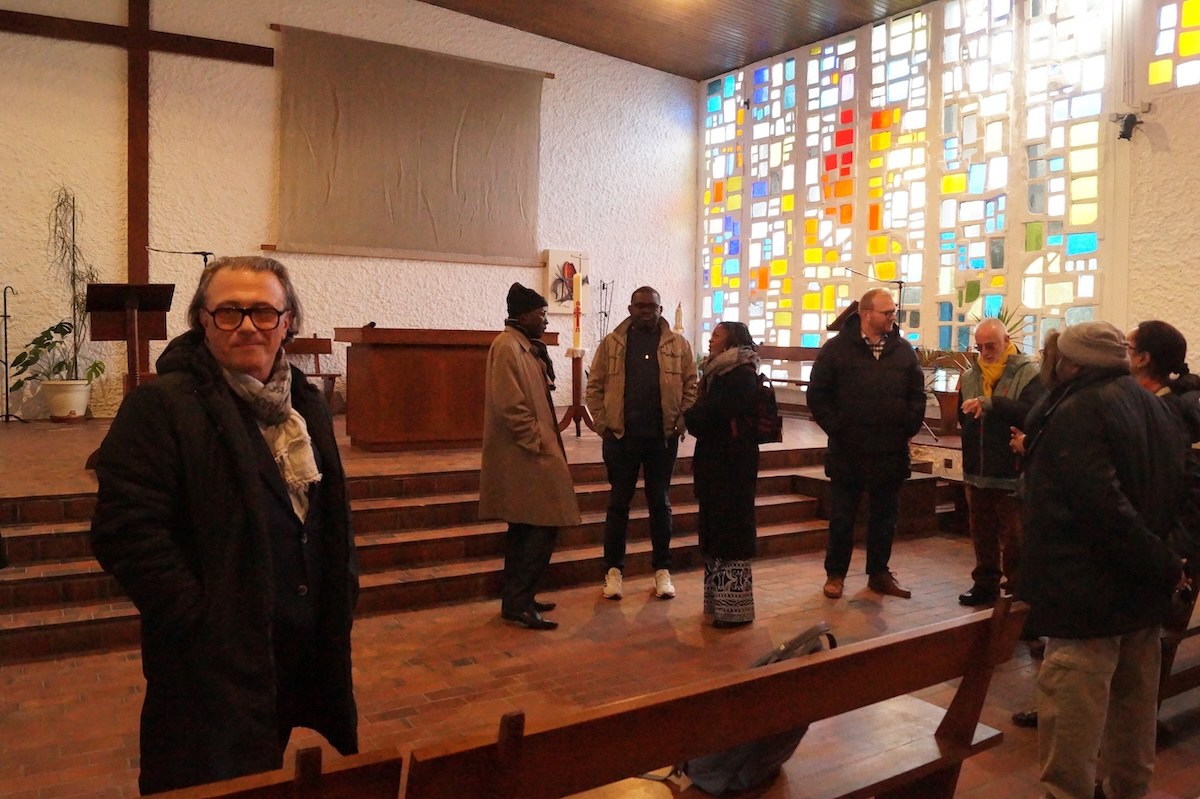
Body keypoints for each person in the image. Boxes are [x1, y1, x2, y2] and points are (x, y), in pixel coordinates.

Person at [90, 256, 359, 794]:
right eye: (229, 312)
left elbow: (327, 516)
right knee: (204, 779)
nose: (248, 327)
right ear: (202, 320)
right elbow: (126, 531)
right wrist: (199, 623)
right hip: (208, 665)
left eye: (264, 312)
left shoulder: (304, 404)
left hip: (291, 647)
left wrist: (338, 593)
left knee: (263, 769)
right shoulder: (161, 406)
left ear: (288, 321)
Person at [1019, 321, 1187, 799]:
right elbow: (1178, 492)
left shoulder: (1078, 409)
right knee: (1134, 712)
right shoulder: (1154, 406)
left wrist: (1159, 560)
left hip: (1086, 593)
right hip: (1142, 592)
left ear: (1070, 363)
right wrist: (1167, 559)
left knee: (1073, 715)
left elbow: (1101, 508)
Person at [807, 288, 926, 600]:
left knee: (885, 517)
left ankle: (879, 573)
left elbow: (917, 394)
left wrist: (908, 426)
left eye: (893, 312)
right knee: (842, 517)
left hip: (890, 450)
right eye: (886, 312)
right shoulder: (836, 350)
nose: (892, 317)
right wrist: (837, 428)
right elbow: (817, 394)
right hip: (848, 449)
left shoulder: (903, 350)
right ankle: (835, 575)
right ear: (866, 313)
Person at [479, 283, 581, 631]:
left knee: (525, 530)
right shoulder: (508, 347)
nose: (546, 320)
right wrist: (537, 441)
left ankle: (519, 599)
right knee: (540, 527)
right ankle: (519, 601)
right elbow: (510, 405)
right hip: (526, 455)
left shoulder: (523, 345)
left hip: (530, 453)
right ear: (523, 316)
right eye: (541, 314)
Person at [586, 286, 697, 601]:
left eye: (652, 306)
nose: (647, 311)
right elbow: (594, 385)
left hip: (662, 438)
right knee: (618, 504)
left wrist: (681, 420)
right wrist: (604, 424)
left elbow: (691, 384)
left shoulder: (678, 344)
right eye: (641, 306)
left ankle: (662, 570)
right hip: (622, 438)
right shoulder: (612, 343)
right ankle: (613, 572)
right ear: (630, 308)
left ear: (660, 309)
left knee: (659, 503)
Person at [956, 318, 1044, 606]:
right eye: (979, 347)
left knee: (1015, 536)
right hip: (978, 469)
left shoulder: (1029, 373)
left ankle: (1019, 590)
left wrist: (991, 403)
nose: (985, 352)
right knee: (982, 533)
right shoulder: (970, 376)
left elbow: (1031, 413)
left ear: (1007, 341)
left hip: (1011, 470)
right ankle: (985, 584)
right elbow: (963, 418)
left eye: (991, 346)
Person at [684, 321, 760, 627]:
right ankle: (718, 603)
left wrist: (689, 414)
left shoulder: (740, 374)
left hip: (732, 466)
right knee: (716, 529)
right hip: (718, 463)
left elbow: (711, 415)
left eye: (716, 335)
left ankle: (734, 610)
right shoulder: (721, 371)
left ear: (730, 342)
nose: (710, 340)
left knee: (731, 532)